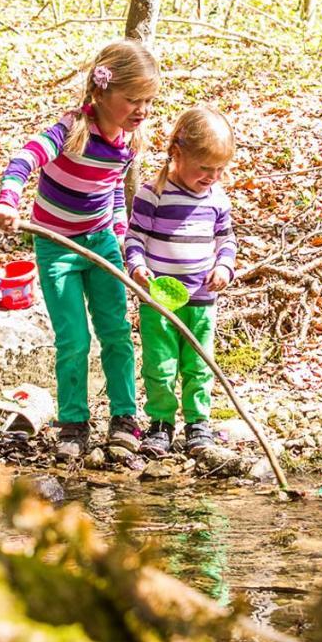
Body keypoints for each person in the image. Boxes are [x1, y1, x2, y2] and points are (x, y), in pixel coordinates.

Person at [0, 40, 158, 460]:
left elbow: (113, 190)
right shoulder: (69, 131)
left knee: (117, 331)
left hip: (102, 244)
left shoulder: (128, 141)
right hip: (56, 246)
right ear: (102, 91)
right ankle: (74, 422)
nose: (142, 110)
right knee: (74, 339)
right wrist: (9, 200)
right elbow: (24, 160)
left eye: (148, 100)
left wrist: (119, 231)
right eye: (133, 99)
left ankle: (124, 417)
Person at [124, 104, 238, 457]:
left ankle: (197, 422)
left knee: (198, 362)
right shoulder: (152, 194)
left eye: (220, 169)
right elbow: (134, 238)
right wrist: (136, 266)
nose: (213, 176)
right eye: (204, 168)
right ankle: (160, 423)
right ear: (177, 154)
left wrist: (224, 268)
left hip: (202, 298)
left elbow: (227, 240)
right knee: (160, 362)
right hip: (160, 298)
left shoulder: (217, 197)